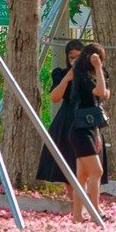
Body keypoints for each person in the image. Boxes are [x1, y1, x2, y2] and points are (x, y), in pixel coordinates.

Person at [36, 39, 84, 197]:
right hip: (66, 119)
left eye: (79, 56)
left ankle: (85, 198)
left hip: (85, 119)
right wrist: (67, 78)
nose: (75, 60)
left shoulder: (91, 74)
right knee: (66, 158)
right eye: (72, 57)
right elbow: (55, 98)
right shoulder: (61, 73)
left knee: (85, 160)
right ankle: (71, 197)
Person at [69, 42, 110, 222]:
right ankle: (95, 211)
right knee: (97, 171)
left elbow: (104, 95)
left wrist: (98, 135)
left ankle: (77, 216)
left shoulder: (91, 76)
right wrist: (98, 67)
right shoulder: (82, 75)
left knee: (83, 176)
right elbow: (101, 92)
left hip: (90, 129)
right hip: (79, 131)